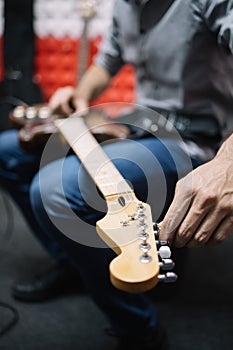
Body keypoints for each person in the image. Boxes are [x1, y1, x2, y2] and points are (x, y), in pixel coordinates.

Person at [1, 0, 233, 349]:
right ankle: (78, 261)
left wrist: (227, 163)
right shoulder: (125, 4)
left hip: (193, 139)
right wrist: (78, 95)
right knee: (7, 152)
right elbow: (107, 61)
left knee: (54, 190)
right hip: (140, 127)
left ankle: (140, 329)